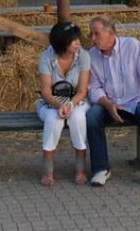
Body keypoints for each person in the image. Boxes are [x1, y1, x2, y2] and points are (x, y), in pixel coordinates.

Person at [86, 17, 140, 189]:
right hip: (109, 103)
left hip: (135, 100)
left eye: (96, 34)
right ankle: (101, 169)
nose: (92, 38)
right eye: (91, 34)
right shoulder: (91, 55)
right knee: (91, 116)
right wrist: (108, 104)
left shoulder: (132, 46)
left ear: (111, 33)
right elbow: (94, 88)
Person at [36, 23, 90, 187]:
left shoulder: (83, 56)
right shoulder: (46, 57)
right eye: (73, 40)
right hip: (51, 102)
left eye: (78, 39)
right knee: (53, 119)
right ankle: (47, 169)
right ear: (61, 42)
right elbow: (46, 91)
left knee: (78, 117)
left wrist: (70, 105)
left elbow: (82, 91)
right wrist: (59, 106)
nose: (78, 43)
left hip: (76, 100)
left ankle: (80, 168)